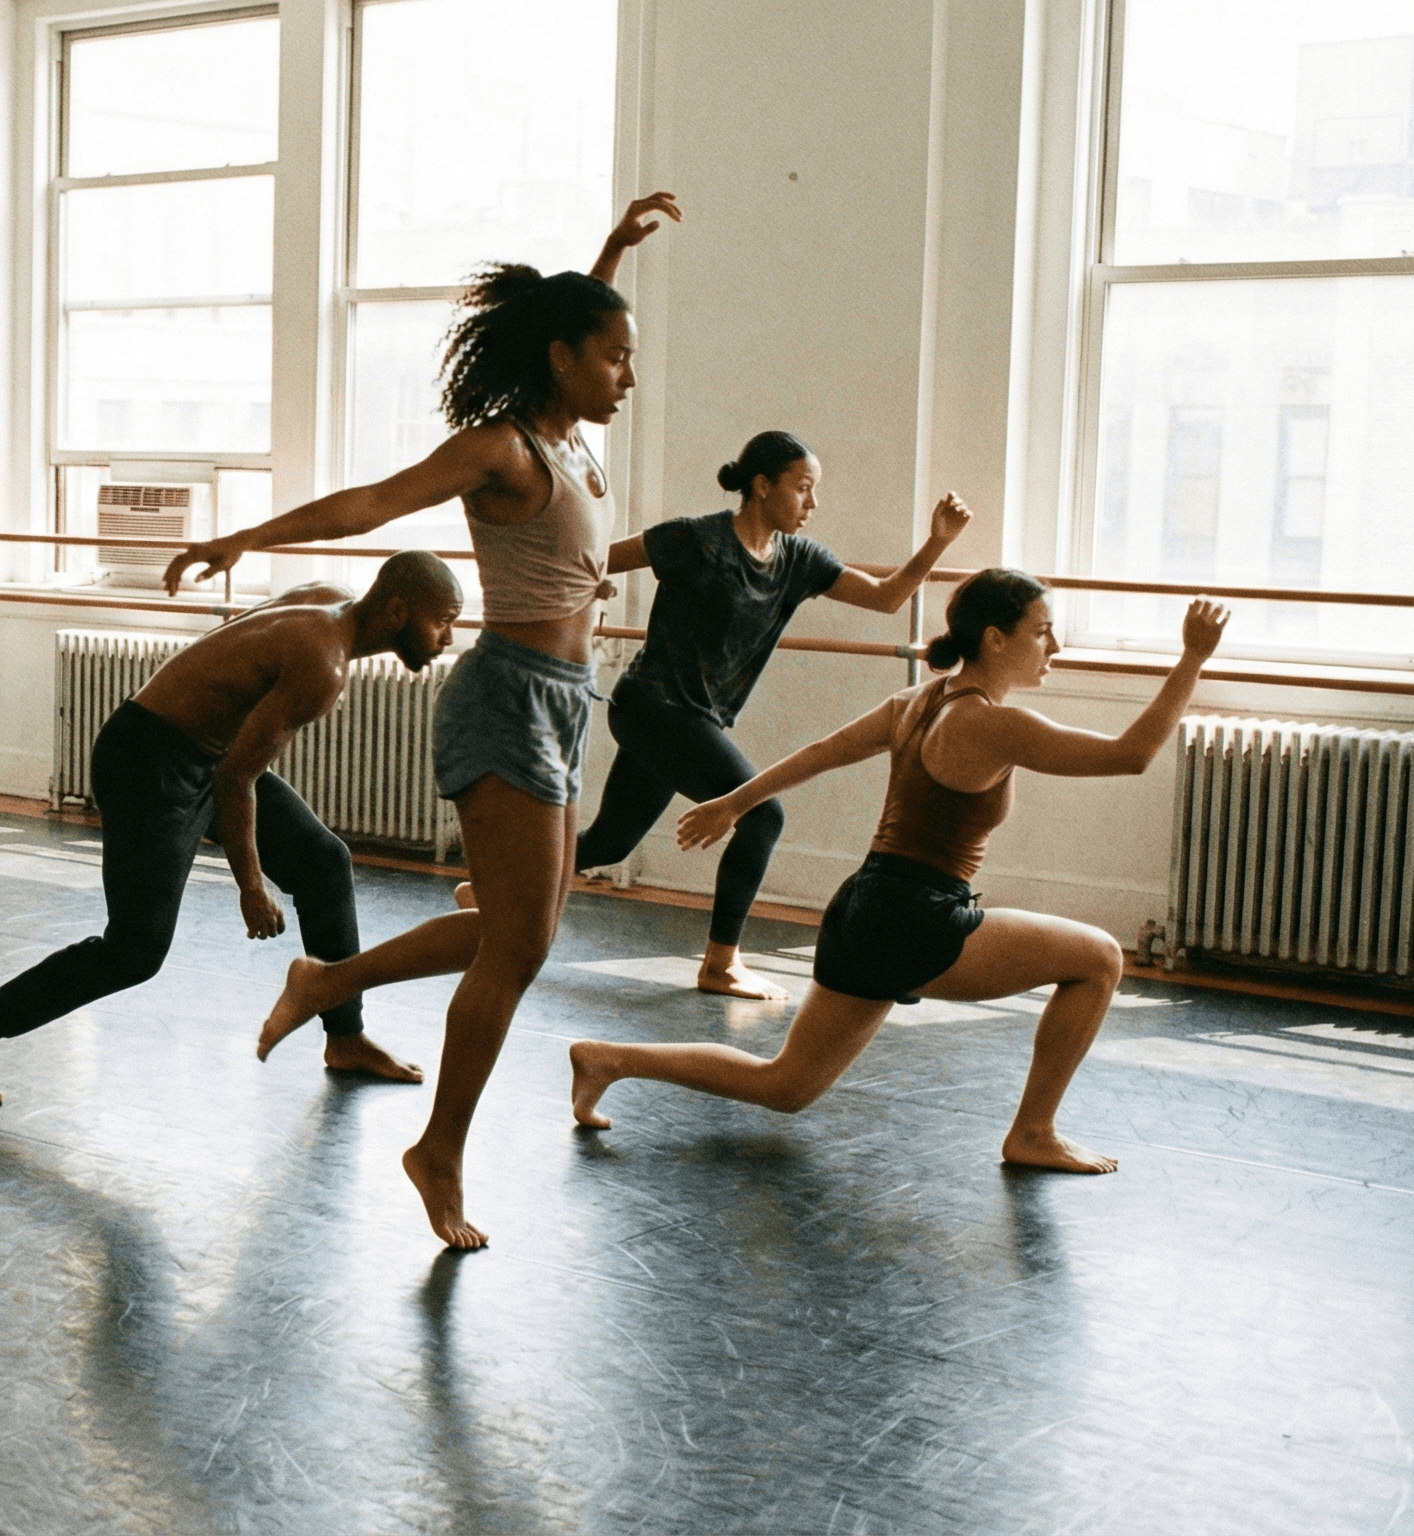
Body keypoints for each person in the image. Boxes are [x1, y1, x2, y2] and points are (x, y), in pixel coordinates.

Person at [172, 193, 680, 1249]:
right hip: (503, 702)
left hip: (564, 703)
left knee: (512, 933)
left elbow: (565, 323)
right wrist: (242, 542)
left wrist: (611, 254)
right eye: (615, 357)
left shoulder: (573, 438)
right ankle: (437, 1152)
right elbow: (368, 504)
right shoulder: (501, 450)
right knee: (523, 945)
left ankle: (330, 981)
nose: (628, 373)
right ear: (562, 360)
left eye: (628, 355)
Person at [566, 575, 1232, 1175]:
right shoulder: (993, 724)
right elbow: (1132, 755)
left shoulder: (919, 701)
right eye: (1042, 631)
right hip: (917, 917)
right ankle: (1033, 1132)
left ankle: (609, 1057)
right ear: (997, 640)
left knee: (786, 1086)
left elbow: (824, 752)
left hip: (862, 908)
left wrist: (735, 801)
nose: (1054, 644)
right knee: (1099, 959)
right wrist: (1193, 657)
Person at [0, 552, 467, 1105]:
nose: (448, 637)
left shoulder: (327, 597)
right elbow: (237, 780)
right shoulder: (324, 665)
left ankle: (345, 1036)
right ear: (398, 609)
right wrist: (251, 886)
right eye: (443, 621)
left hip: (203, 755)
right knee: (135, 950)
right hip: (148, 759)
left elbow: (233, 674)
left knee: (322, 863)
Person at [512, 431, 975, 1001]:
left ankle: (499, 889)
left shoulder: (799, 561)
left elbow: (885, 597)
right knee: (763, 814)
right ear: (762, 486)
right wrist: (585, 598)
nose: (812, 503)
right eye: (803, 488)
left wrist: (936, 543)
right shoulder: (693, 539)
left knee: (610, 843)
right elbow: (590, 560)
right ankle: (720, 963)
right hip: (651, 708)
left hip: (686, 721)